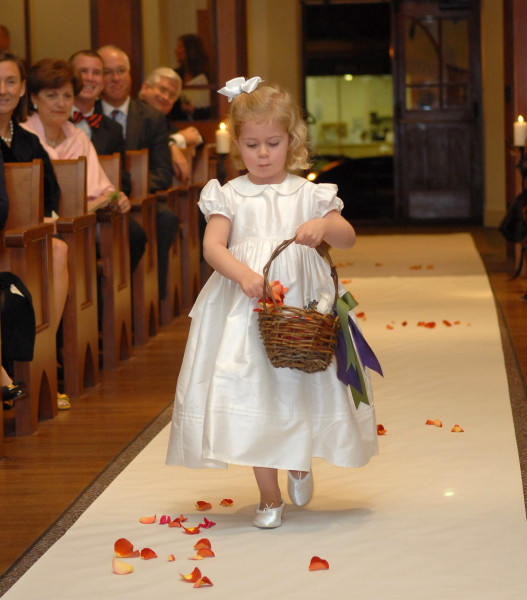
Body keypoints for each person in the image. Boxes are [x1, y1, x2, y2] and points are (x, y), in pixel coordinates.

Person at [165, 78, 378, 529]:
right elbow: (213, 247)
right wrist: (245, 275)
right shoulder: (227, 193)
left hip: (300, 308)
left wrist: (323, 226)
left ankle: (299, 460)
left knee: (299, 383)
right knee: (255, 388)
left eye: (273, 143)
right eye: (252, 144)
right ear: (237, 144)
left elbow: (349, 236)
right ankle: (268, 494)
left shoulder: (309, 193)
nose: (263, 154)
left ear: (292, 140)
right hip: (247, 308)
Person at [0, 52, 70, 409]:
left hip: (29, 244)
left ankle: (44, 354)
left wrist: (46, 218)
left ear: (23, 88)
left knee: (58, 249)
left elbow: (51, 194)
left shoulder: (27, 141)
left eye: (10, 81)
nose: (3, 89)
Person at [97, 45, 180, 300]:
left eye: (120, 71)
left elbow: (163, 173)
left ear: (131, 74)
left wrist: (126, 190)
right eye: (107, 72)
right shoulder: (87, 115)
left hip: (140, 199)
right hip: (96, 203)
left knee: (166, 217)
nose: (115, 78)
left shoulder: (151, 117)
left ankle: (152, 298)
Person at [68, 49, 146, 274]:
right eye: (83, 71)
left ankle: (112, 302)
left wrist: (115, 197)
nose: (90, 78)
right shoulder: (56, 119)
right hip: (64, 212)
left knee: (135, 235)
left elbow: (122, 180)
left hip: (101, 212)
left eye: (96, 72)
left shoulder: (112, 129)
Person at [138, 66, 202, 184]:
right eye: (162, 90)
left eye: (172, 95)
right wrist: (175, 143)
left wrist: (179, 143)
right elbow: (144, 144)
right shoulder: (132, 113)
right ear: (145, 87)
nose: (166, 97)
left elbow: (199, 140)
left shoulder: (163, 121)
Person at [169, 34, 211, 121]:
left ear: (190, 50)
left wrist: (192, 111)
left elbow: (209, 110)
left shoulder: (205, 76)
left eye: (180, 47)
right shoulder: (176, 74)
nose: (176, 50)